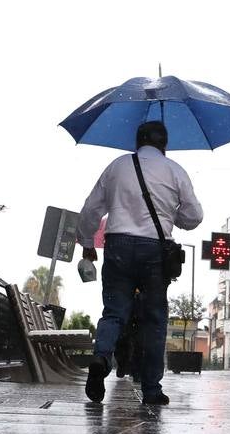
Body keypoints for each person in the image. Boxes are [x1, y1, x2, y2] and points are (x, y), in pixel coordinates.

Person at [78, 120, 203, 405]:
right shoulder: (175, 171)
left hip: (118, 245)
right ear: (164, 144)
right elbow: (194, 216)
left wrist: (87, 243)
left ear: (137, 142)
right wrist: (173, 217)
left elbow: (91, 208)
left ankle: (101, 357)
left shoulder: (117, 166)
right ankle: (151, 389)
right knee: (154, 320)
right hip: (155, 251)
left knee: (113, 312)